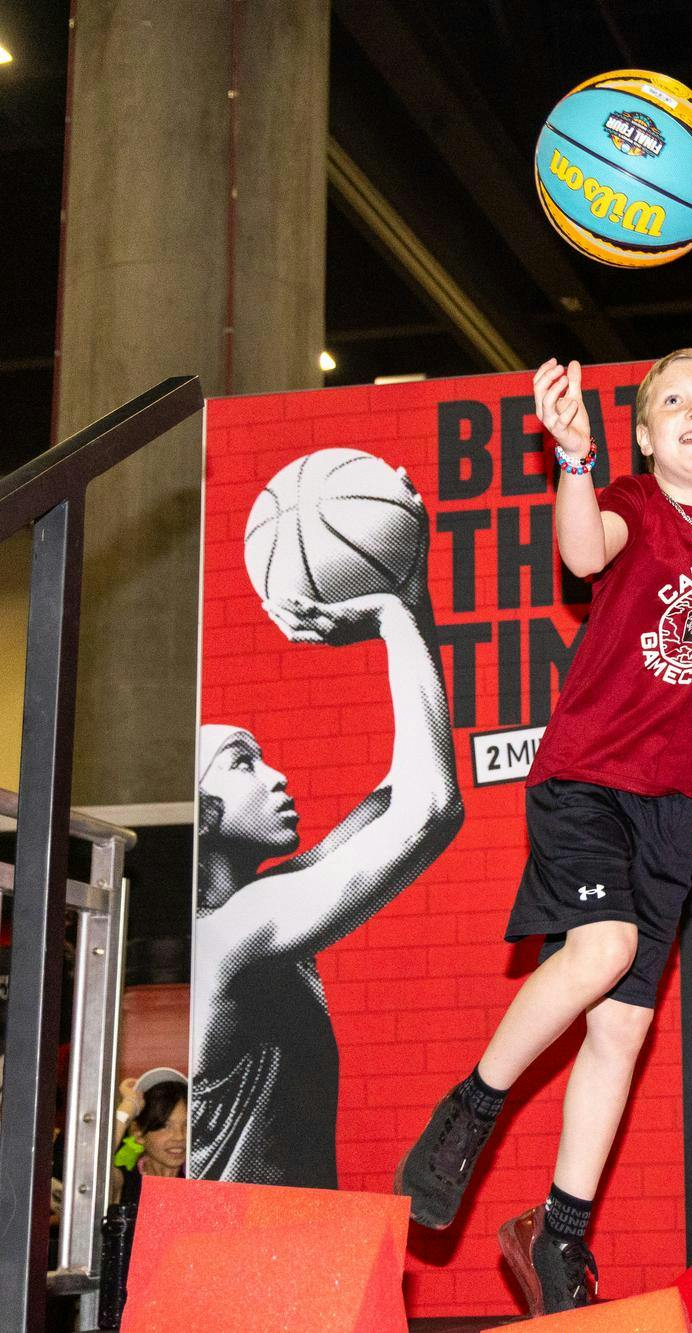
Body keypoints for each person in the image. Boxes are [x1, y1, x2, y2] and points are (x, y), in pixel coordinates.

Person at [395, 259, 692, 1314]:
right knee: (595, 953)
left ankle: (556, 1233)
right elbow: (580, 548)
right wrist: (569, 459)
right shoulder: (632, 507)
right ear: (643, 436)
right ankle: (469, 1109)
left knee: (622, 1026)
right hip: (584, 780)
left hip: (673, 806)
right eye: (672, 402)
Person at [193, 465, 463, 1188]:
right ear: (202, 815)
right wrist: (390, 622)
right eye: (244, 763)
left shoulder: (270, 906)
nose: (276, 775)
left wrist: (408, 594)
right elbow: (428, 811)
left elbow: (412, 790)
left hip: (287, 1244)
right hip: (241, 1260)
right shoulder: (226, 936)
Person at [109, 1068, 187, 1207]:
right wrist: (129, 1105)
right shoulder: (124, 1181)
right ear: (138, 1133)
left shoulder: (204, 1182)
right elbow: (92, 1165)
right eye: (165, 1126)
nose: (179, 1136)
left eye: (187, 1125)